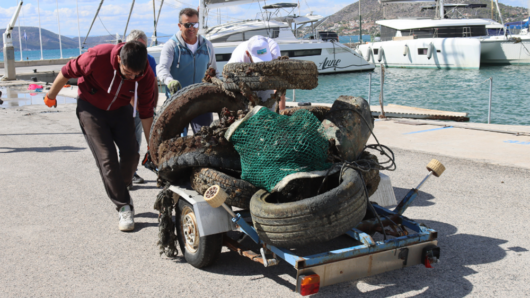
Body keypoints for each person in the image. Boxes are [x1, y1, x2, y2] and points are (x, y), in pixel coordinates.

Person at [43, 41, 156, 232]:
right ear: (119, 59)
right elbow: (66, 71)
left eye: (136, 74)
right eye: (128, 73)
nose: (132, 77)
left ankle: (122, 185)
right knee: (107, 159)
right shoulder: (97, 57)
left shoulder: (145, 77)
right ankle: (124, 206)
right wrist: (51, 95)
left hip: (120, 110)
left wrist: (152, 146)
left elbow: (146, 113)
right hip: (91, 108)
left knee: (132, 153)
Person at [156, 7, 218, 135]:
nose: (192, 28)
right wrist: (170, 81)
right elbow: (161, 68)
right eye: (187, 24)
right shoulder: (171, 46)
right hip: (177, 102)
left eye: (195, 24)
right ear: (180, 26)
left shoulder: (207, 46)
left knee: (205, 139)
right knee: (176, 142)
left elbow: (213, 71)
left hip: (201, 101)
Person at [125, 30, 158, 187]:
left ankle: (132, 172)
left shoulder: (149, 59)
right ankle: (128, 174)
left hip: (143, 106)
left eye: (143, 47)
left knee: (138, 139)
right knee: (127, 140)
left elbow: (154, 84)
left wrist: (153, 105)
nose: (141, 51)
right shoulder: (125, 59)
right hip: (125, 105)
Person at [226, 35, 286, 111]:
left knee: (270, 110)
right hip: (244, 83)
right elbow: (230, 82)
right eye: (258, 62)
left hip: (266, 81)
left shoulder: (273, 49)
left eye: (265, 61)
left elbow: (279, 85)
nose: (261, 65)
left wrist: (282, 113)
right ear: (248, 54)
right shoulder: (237, 58)